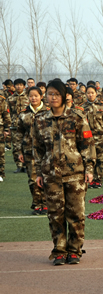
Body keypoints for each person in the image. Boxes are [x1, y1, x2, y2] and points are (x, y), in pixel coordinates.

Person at [32, 79, 95, 266]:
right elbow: (37, 149)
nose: (53, 97)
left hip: (75, 174)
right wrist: (37, 173)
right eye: (50, 94)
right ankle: (59, 250)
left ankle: (74, 250)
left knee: (76, 214)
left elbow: (87, 145)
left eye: (56, 94)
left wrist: (89, 169)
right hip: (51, 175)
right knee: (55, 215)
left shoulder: (77, 117)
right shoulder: (40, 120)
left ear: (64, 96)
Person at [14, 86, 47, 214]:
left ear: (41, 96)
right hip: (29, 151)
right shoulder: (23, 114)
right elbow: (18, 134)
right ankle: (37, 204)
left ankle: (46, 203)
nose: (33, 98)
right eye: (31, 96)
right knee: (33, 179)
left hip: (46, 152)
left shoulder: (48, 112)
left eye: (36, 96)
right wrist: (19, 152)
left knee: (46, 177)